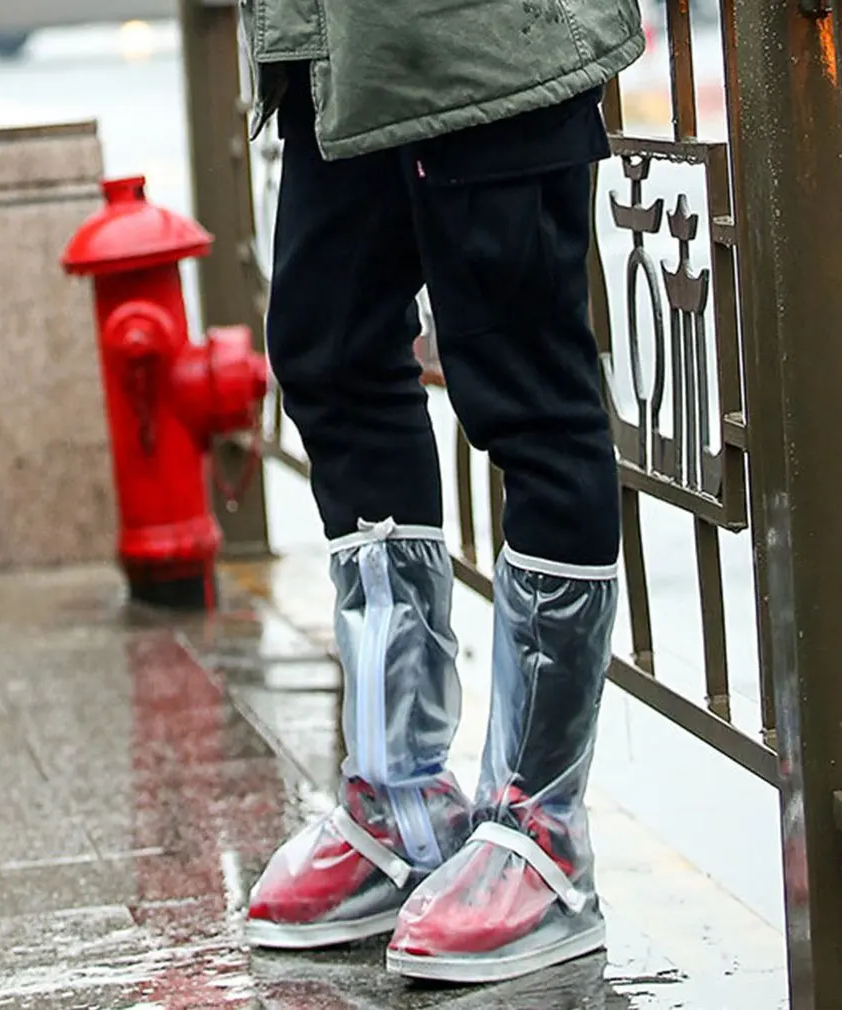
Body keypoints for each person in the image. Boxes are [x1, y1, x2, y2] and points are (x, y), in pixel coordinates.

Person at [240, 0, 645, 986]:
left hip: (484, 39)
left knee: (523, 383)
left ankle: (541, 834)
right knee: (328, 356)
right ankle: (402, 798)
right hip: (336, 46)